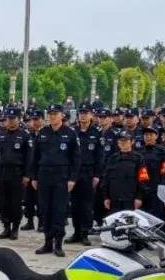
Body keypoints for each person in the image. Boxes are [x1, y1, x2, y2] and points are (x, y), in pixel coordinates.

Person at [31, 104, 80, 257]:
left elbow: (76, 159)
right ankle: (47, 242)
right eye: (50, 113)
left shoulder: (70, 133)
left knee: (59, 211)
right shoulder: (43, 132)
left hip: (61, 176)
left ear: (62, 115)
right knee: (45, 210)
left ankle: (58, 244)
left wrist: (72, 179)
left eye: (55, 113)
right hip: (44, 175)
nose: (52, 116)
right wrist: (34, 176)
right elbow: (35, 156)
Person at [68, 104, 103, 246]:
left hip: (89, 173)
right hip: (74, 173)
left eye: (85, 113)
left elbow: (100, 156)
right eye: (81, 112)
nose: (83, 115)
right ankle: (76, 232)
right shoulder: (72, 131)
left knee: (87, 205)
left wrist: (97, 175)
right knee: (74, 205)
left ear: (91, 115)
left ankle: (85, 233)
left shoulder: (96, 132)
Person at [0, 108, 33, 240]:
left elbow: (29, 157)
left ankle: (15, 228)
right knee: (2, 202)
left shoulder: (25, 135)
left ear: (18, 119)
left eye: (13, 119)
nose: (10, 121)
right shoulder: (0, 135)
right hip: (2, 173)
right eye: (8, 119)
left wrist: (27, 175)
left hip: (17, 173)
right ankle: (6, 227)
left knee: (15, 203)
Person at [101, 131, 145, 212]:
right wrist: (106, 197)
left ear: (132, 142)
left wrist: (139, 197)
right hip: (114, 199)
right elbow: (106, 179)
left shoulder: (138, 158)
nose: (123, 143)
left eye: (126, 140)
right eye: (121, 141)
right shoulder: (112, 158)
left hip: (130, 200)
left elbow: (143, 179)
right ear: (118, 143)